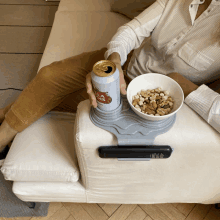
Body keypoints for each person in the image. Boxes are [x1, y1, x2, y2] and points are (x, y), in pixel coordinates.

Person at [0, 0, 220, 165]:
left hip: (152, 101)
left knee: (61, 99)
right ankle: (2, 137)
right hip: (125, 64)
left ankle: (6, 117)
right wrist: (114, 59)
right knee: (49, 76)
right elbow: (132, 31)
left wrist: (190, 89)